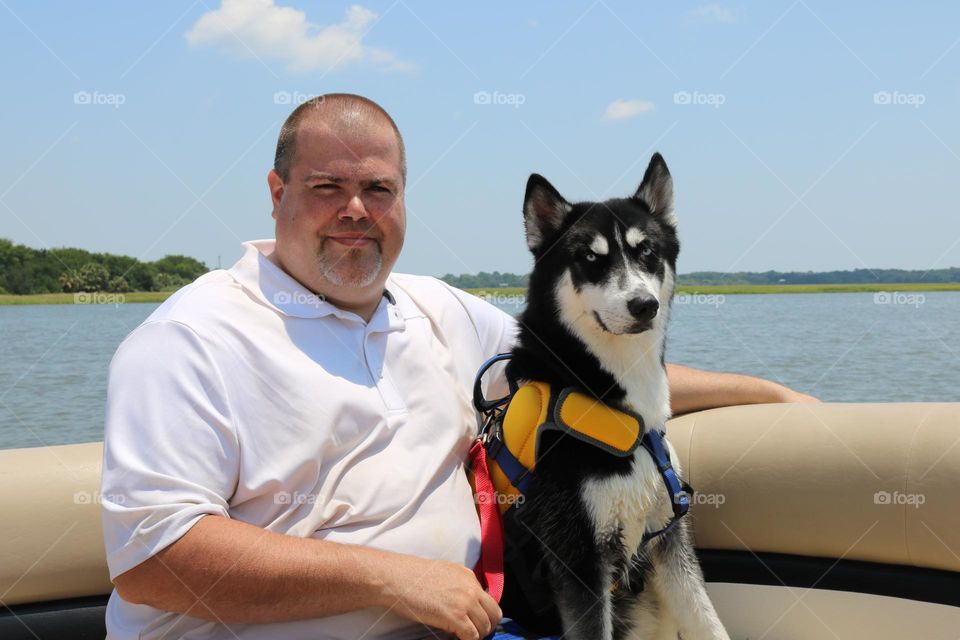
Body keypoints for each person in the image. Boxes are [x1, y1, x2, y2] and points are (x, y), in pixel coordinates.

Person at [100, 93, 818, 640]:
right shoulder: (191, 340)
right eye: (327, 187)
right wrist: (390, 580)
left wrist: (771, 393)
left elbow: (592, 379)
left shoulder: (434, 310)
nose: (355, 209)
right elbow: (154, 560)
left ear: (404, 198)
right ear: (276, 191)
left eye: (378, 189)